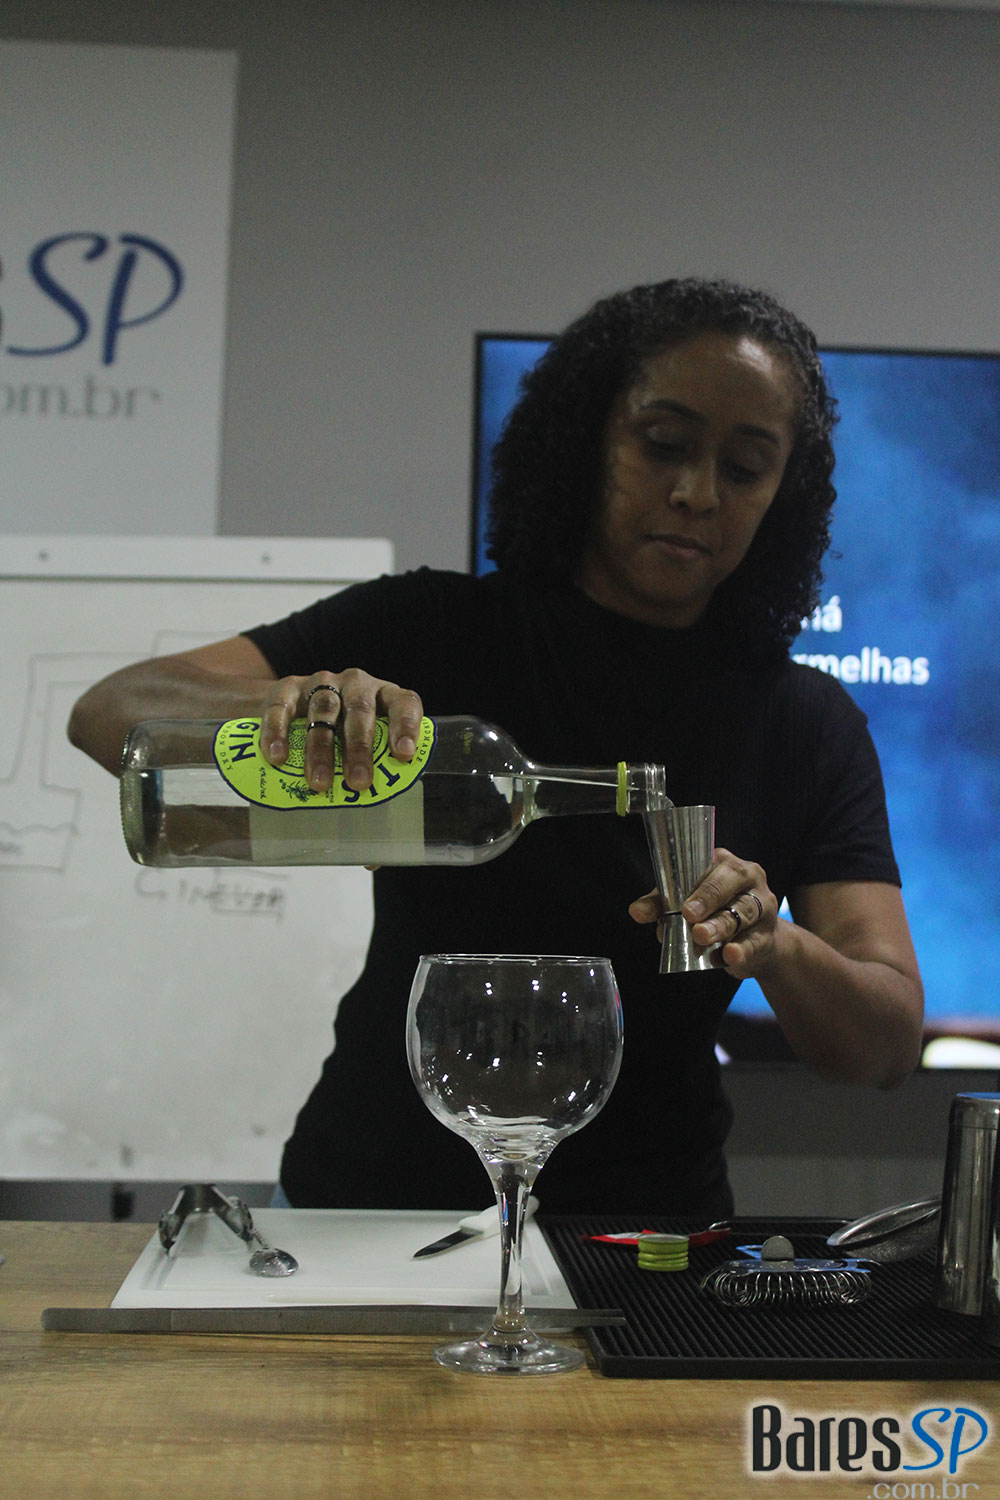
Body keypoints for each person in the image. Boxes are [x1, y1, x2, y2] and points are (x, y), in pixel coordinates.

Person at [68, 277, 924, 1220]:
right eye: (663, 444)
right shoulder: (432, 629)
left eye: (746, 467)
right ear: (588, 438)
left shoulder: (805, 724)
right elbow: (113, 711)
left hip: (643, 1241)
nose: (696, 493)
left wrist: (774, 941)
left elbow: (884, 1047)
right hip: (372, 1212)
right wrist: (295, 705)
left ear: (782, 494)